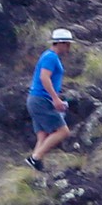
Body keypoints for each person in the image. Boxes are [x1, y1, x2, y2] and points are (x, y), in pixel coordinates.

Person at [25, 28, 75, 170]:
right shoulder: (50, 57)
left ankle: (35, 166)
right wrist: (55, 99)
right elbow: (44, 77)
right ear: (60, 43)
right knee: (63, 131)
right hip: (41, 100)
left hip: (36, 100)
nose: (69, 47)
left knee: (43, 135)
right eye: (67, 44)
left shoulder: (48, 56)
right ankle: (35, 158)